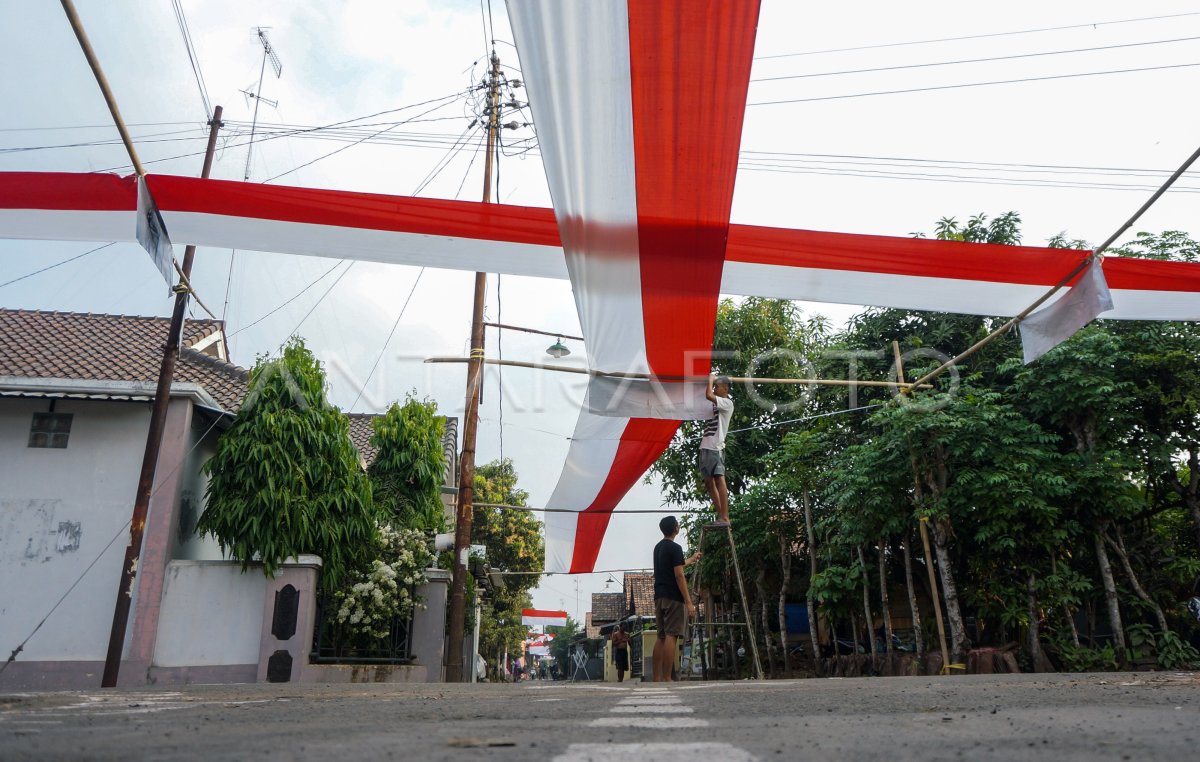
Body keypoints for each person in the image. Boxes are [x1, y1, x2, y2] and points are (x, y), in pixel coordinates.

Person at [652, 515, 702, 682]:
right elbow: (679, 575)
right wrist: (689, 602)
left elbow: (677, 565)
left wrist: (691, 559)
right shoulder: (675, 548)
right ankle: (668, 677)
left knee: (661, 636)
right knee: (672, 635)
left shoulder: (658, 548)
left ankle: (657, 678)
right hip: (673, 596)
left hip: (659, 596)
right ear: (675, 528)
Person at [698, 375, 734, 525]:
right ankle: (721, 516)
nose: (714, 388)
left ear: (725, 388)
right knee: (708, 482)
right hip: (705, 445)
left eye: (717, 386)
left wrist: (710, 379)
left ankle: (725, 517)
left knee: (719, 478)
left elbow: (708, 395)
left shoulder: (727, 403)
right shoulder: (715, 403)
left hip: (715, 446)